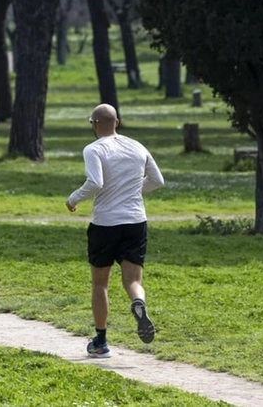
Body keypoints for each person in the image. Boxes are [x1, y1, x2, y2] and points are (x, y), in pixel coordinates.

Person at [65, 104, 165, 358]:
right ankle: (138, 302)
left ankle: (100, 342)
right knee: (133, 280)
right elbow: (157, 181)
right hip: (135, 222)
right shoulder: (137, 146)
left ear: (95, 124)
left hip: (105, 224)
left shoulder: (93, 149)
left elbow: (96, 182)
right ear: (117, 123)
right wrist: (130, 190)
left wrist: (74, 199)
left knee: (100, 284)